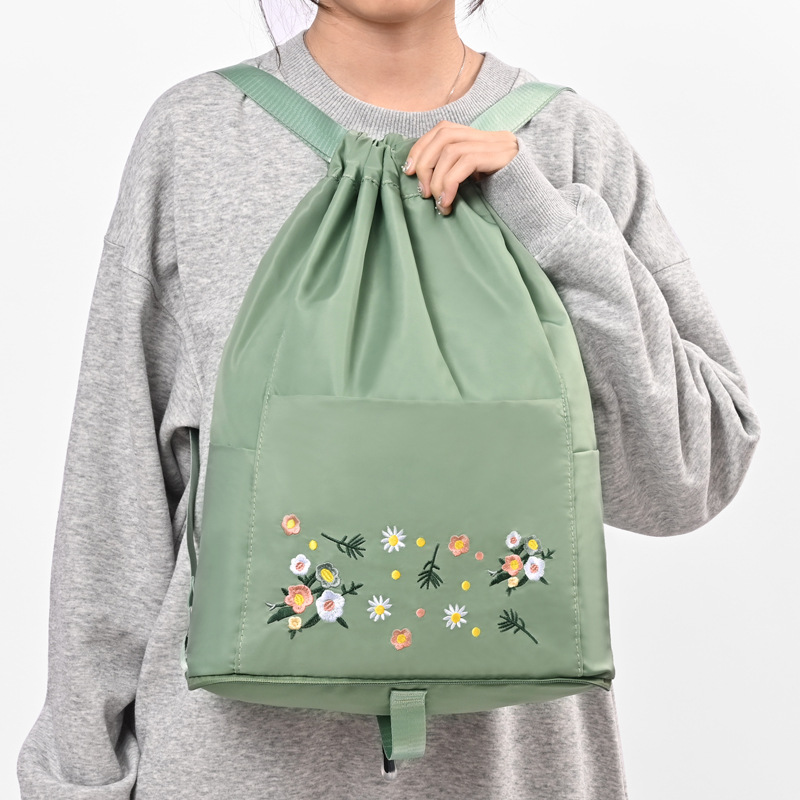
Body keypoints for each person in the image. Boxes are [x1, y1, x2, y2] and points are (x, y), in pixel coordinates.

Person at [16, 1, 761, 798]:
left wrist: (546, 219)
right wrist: (77, 783)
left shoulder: (573, 146)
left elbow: (690, 477)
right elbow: (114, 505)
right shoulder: (196, 137)